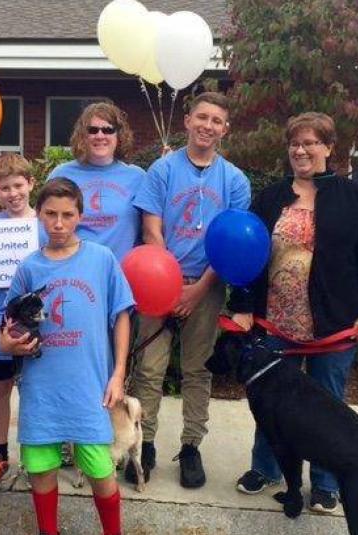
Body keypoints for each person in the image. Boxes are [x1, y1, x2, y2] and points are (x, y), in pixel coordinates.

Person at [228, 112, 358, 513]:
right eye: (295, 143)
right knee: (269, 400)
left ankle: (326, 482)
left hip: (332, 325)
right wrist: (243, 305)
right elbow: (248, 256)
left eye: (311, 143)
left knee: (326, 406)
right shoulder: (269, 198)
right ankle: (266, 468)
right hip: (275, 322)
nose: (301, 150)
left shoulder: (355, 199)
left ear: (329, 148)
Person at [128, 91, 251, 489]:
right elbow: (151, 228)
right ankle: (143, 444)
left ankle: (191, 446)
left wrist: (196, 290)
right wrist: (168, 284)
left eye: (216, 120)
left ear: (225, 129)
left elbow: (232, 245)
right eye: (202, 117)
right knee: (149, 368)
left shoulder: (234, 180)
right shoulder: (162, 171)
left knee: (198, 369)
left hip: (207, 285)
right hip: (157, 281)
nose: (207, 126)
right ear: (188, 121)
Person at [0, 178, 134, 535]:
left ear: (80, 216)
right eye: (51, 214)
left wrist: (118, 372)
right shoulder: (30, 268)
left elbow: (121, 314)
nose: (59, 223)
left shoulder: (101, 259)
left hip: (88, 387)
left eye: (67, 214)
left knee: (100, 470)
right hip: (42, 388)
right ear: (39, 215)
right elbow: (5, 328)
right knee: (41, 469)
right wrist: (10, 345)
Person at [0, 153, 47, 491]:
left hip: (38, 322)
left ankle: (39, 457)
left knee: (38, 388)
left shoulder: (46, 226)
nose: (12, 193)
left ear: (31, 184)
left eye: (18, 185)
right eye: (4, 188)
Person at [48, 101, 145, 260]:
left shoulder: (137, 177)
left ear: (118, 135)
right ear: (83, 135)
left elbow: (152, 225)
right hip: (75, 270)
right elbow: (46, 224)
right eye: (92, 130)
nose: (100, 136)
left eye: (108, 130)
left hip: (122, 274)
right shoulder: (62, 174)